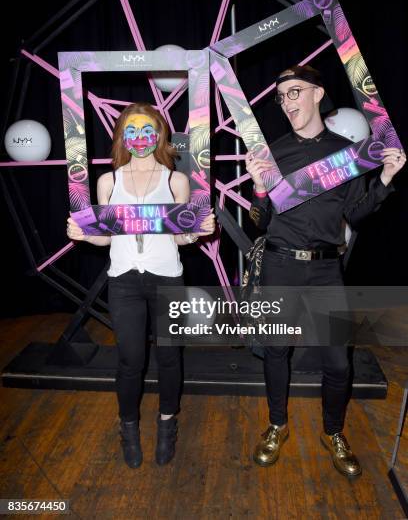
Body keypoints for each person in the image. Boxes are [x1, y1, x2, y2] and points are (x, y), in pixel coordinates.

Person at [245, 64, 406, 477]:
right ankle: (277, 424)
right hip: (280, 265)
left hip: (325, 270)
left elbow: (354, 212)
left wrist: (384, 179)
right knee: (276, 351)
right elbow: (259, 221)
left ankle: (333, 431)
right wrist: (259, 190)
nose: (287, 103)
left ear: (318, 93)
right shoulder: (272, 152)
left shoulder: (347, 153)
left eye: (295, 92)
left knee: (338, 363)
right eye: (282, 97)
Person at [67, 102, 215, 469]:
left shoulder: (176, 180)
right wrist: (83, 235)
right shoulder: (108, 181)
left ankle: (168, 423)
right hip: (124, 281)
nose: (139, 137)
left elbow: (181, 240)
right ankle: (128, 427)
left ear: (159, 133)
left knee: (168, 356)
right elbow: (105, 240)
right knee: (130, 359)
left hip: (167, 277)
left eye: (147, 129)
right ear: (121, 136)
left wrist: (197, 232)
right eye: (131, 131)